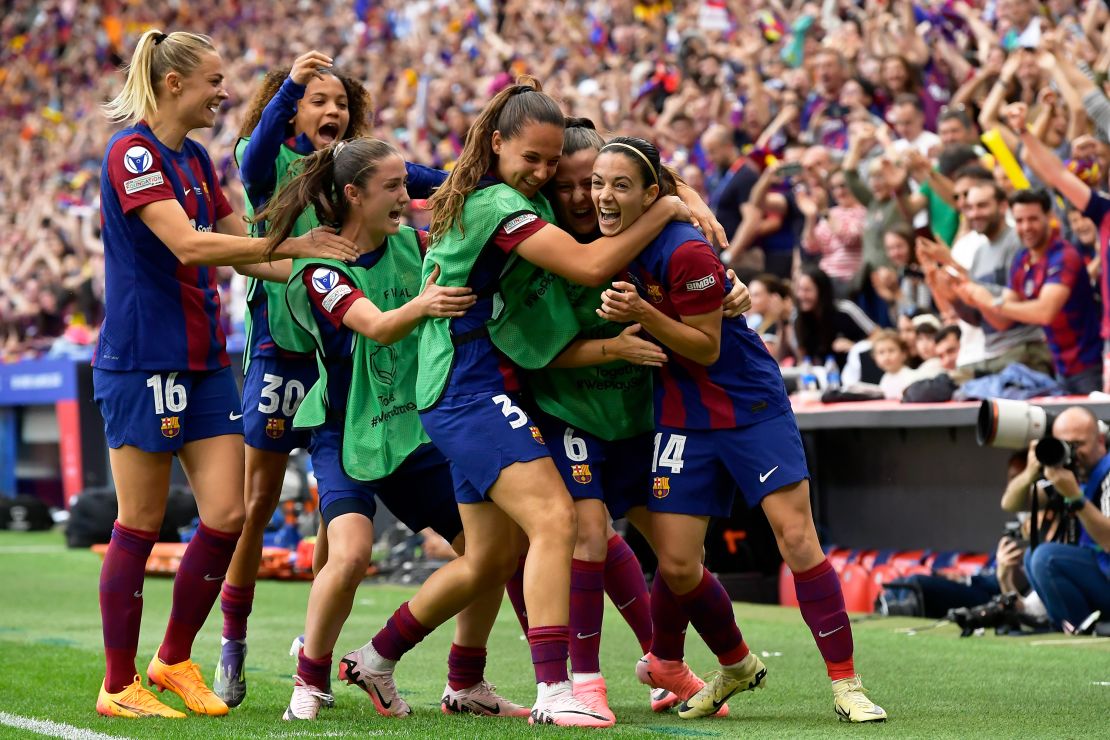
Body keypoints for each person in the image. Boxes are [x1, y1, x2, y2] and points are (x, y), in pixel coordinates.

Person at [93, 29, 357, 720]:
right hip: (143, 360)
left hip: (206, 360)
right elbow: (188, 243)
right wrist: (293, 242)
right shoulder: (133, 153)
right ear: (174, 83)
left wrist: (324, 266)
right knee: (141, 522)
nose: (225, 92)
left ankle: (174, 659)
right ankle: (118, 684)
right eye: (214, 81)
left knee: (229, 514)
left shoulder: (198, 159)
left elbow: (249, 254)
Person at [418, 78, 691, 727]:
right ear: (497, 143)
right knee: (558, 523)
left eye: (555, 165)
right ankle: (559, 687)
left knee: (496, 553)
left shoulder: (501, 194)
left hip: (487, 384)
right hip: (468, 384)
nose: (545, 177)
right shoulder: (504, 205)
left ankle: (396, 664)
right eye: (536, 162)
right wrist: (667, 207)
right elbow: (590, 270)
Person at [593, 136, 887, 723]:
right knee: (675, 562)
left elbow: (704, 348)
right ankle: (728, 667)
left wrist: (643, 314)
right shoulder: (608, 242)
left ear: (651, 194)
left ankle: (846, 683)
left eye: (619, 186)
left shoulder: (686, 253)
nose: (602, 196)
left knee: (797, 539)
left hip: (749, 407)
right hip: (681, 415)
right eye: (598, 184)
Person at [256, 138, 526, 721]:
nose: (407, 197)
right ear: (353, 194)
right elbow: (376, 327)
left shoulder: (417, 245)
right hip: (344, 436)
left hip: (412, 435)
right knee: (350, 556)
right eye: (393, 187)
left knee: (492, 553)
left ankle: (463, 682)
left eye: (407, 184)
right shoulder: (321, 269)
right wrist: (427, 304)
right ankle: (310, 679)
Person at [216, 49, 447, 707]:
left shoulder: (361, 174)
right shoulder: (267, 161)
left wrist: (499, 162)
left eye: (341, 104)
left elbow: (440, 179)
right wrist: (290, 86)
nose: (332, 112)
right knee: (256, 504)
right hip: (282, 354)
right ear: (292, 107)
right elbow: (257, 153)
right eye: (319, 101)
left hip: (342, 357)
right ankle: (233, 642)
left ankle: (311, 650)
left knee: (334, 521)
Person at [522, 117, 747, 721]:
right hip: (572, 412)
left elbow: (691, 266)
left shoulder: (644, 234)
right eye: (569, 186)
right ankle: (585, 680)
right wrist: (613, 348)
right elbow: (535, 355)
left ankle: (672, 664)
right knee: (588, 534)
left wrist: (730, 284)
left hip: (642, 412)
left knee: (678, 555)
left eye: (593, 182)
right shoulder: (540, 244)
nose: (585, 197)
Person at [956, 189, 1101, 394]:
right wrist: (972, 297)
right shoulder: (1022, 259)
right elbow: (1002, 322)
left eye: (1032, 219)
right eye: (1019, 221)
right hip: (1058, 366)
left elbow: (1045, 312)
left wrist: (991, 302)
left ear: (1049, 217)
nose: (1025, 227)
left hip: (1089, 364)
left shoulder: (1064, 255)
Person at [1000, 407, 1110, 631]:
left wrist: (1075, 497)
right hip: (1101, 576)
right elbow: (1011, 503)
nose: (1072, 452)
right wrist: (1030, 473)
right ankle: (1067, 626)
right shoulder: (1071, 472)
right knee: (1033, 555)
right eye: (1065, 445)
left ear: (1099, 440)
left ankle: (1077, 630)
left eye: (1078, 444)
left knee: (1046, 558)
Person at [793, 265, 876, 369]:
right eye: (799, 290)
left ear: (821, 290)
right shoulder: (798, 319)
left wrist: (855, 346)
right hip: (822, 379)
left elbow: (879, 336)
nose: (802, 296)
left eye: (807, 290)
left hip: (855, 373)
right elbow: (803, 357)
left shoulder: (845, 310)